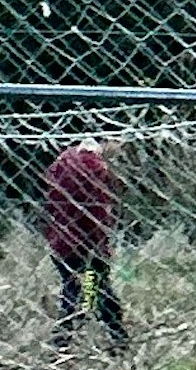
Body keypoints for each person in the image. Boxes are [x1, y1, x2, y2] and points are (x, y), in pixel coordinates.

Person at [35, 132, 132, 356]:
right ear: (108, 140)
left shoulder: (63, 160)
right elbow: (97, 212)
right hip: (87, 246)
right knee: (92, 289)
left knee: (80, 288)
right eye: (119, 143)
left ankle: (71, 338)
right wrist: (102, 246)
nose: (120, 150)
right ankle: (112, 340)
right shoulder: (95, 167)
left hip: (61, 242)